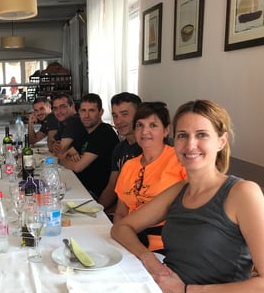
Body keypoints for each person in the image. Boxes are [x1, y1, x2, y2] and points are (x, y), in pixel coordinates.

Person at [111, 99, 264, 293]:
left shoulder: (243, 193)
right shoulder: (179, 190)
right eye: (183, 135)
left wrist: (186, 292)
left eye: (201, 134)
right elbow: (121, 228)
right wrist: (149, 260)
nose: (190, 144)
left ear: (221, 141)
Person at [113, 102, 187, 252]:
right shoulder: (129, 166)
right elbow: (121, 212)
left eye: (153, 125)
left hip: (166, 246)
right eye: (139, 125)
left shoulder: (180, 160)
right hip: (130, 241)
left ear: (166, 130)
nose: (144, 131)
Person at [58, 93, 119, 199]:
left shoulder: (104, 133)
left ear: (101, 112)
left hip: (92, 194)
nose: (86, 115)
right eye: (83, 111)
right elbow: (63, 154)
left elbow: (77, 167)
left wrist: (65, 160)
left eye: (91, 111)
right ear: (79, 112)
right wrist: (68, 157)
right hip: (79, 186)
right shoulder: (85, 133)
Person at [98, 92, 143, 214]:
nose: (118, 121)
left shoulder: (148, 149)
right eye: (115, 116)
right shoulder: (119, 148)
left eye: (124, 114)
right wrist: (97, 210)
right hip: (120, 211)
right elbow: (112, 186)